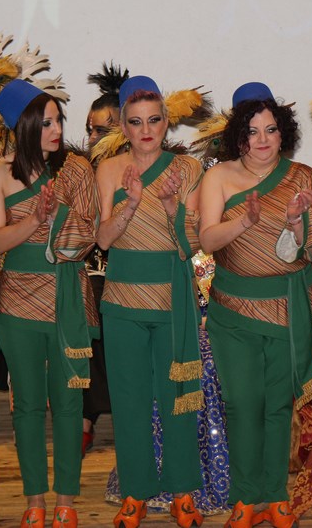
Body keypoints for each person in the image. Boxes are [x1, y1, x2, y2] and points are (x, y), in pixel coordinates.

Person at [199, 81, 312, 528]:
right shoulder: (218, 177)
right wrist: (245, 221)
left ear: (283, 134)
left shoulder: (303, 178)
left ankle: (275, 497)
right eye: (252, 131)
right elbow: (207, 240)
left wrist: (295, 222)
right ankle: (246, 497)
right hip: (233, 310)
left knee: (278, 405)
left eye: (271, 130)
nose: (262, 139)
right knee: (242, 402)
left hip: (286, 306)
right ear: (238, 136)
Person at [0, 79, 98, 528]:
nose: (57, 130)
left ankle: (66, 501)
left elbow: (89, 233)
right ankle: (34, 500)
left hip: (67, 297)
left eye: (58, 120)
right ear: (23, 125)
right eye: (46, 122)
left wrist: (61, 223)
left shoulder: (75, 171)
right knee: (27, 405)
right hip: (16, 303)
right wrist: (35, 218)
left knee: (69, 404)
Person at [96, 75, 204, 528]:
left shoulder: (188, 169)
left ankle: (182, 491)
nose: (146, 130)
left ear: (166, 123)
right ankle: (135, 492)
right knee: (129, 402)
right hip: (122, 301)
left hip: (173, 300)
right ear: (123, 126)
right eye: (136, 122)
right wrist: (131, 204)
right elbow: (103, 240)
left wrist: (170, 208)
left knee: (179, 399)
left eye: (154, 120)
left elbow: (192, 245)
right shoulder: (108, 170)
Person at [81, 63, 126, 458]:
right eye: (90, 130)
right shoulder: (78, 171)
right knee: (84, 302)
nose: (93, 138)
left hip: (137, 272)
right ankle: (84, 419)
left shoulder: (152, 166)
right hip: (89, 270)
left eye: (102, 130)